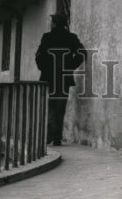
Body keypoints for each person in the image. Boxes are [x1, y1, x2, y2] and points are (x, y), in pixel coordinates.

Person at [35, 12, 86, 146]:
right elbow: (82, 54)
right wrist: (70, 67)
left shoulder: (47, 37)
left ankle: (51, 126)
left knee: (50, 103)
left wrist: (43, 67)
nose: (51, 24)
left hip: (49, 76)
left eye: (52, 21)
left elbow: (39, 56)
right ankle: (57, 137)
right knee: (60, 106)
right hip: (64, 76)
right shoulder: (71, 37)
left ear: (55, 23)